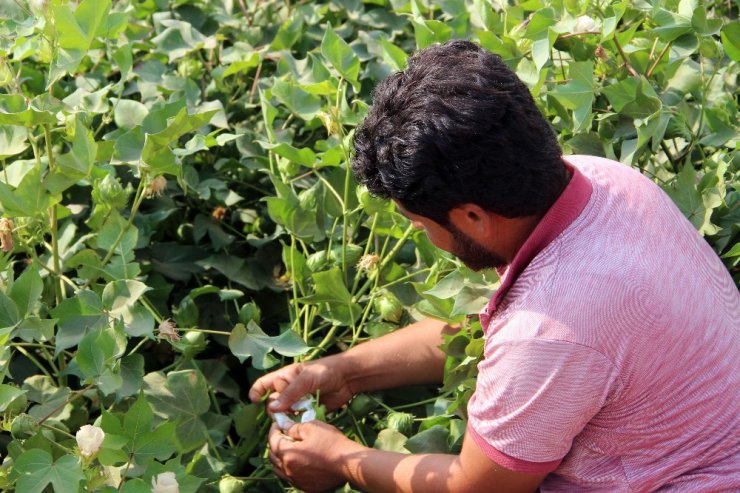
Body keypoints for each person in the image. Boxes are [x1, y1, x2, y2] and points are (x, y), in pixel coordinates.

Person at [249, 40, 740, 492]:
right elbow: (496, 334)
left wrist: (340, 458)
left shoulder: (549, 331)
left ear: (472, 218)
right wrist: (343, 372)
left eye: (421, 225)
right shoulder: (605, 182)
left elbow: (477, 487)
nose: (426, 237)